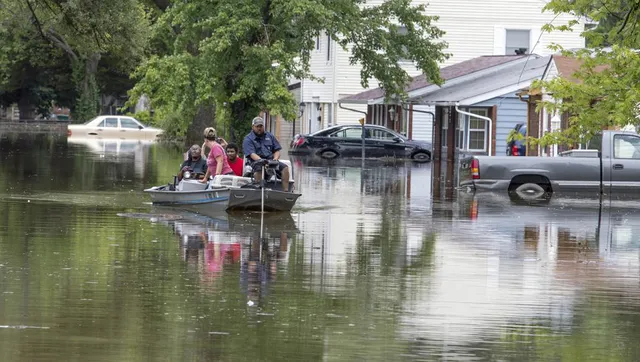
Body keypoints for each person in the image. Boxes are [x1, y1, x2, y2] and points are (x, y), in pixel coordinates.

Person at [242, 116, 290, 191]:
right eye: (257, 126)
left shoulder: (270, 136)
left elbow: (277, 150)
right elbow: (252, 154)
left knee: (285, 168)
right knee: (259, 168)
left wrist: (275, 159)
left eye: (261, 126)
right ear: (253, 127)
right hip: (256, 161)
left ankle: (286, 191)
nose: (259, 128)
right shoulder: (248, 139)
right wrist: (263, 161)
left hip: (271, 160)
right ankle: (259, 190)